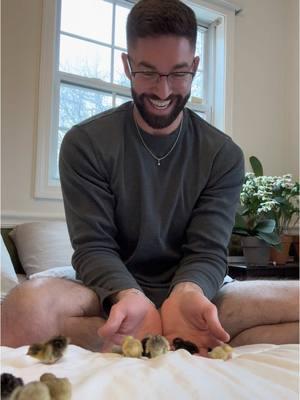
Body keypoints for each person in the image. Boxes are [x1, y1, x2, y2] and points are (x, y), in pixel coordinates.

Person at [1, 0, 298, 353]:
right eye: (148, 72)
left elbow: (206, 251)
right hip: (108, 294)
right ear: (127, 65)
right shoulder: (85, 143)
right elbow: (94, 248)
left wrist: (187, 294)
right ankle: (182, 341)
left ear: (195, 68)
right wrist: (127, 295)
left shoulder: (223, 155)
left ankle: (170, 335)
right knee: (22, 309)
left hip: (196, 296)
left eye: (178, 73)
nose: (163, 90)